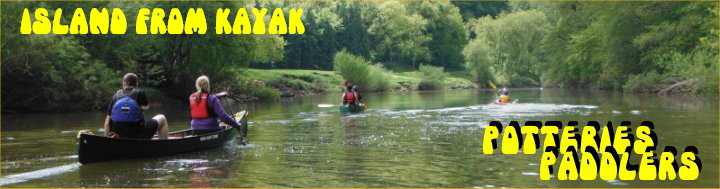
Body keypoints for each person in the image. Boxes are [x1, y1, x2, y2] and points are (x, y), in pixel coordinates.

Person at [104, 73, 169, 139]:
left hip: (117, 136)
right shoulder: (139, 93)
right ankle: (163, 146)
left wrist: (108, 140)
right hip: (139, 136)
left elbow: (107, 122)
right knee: (162, 118)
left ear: (124, 83)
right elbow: (146, 107)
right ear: (137, 84)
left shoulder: (115, 96)